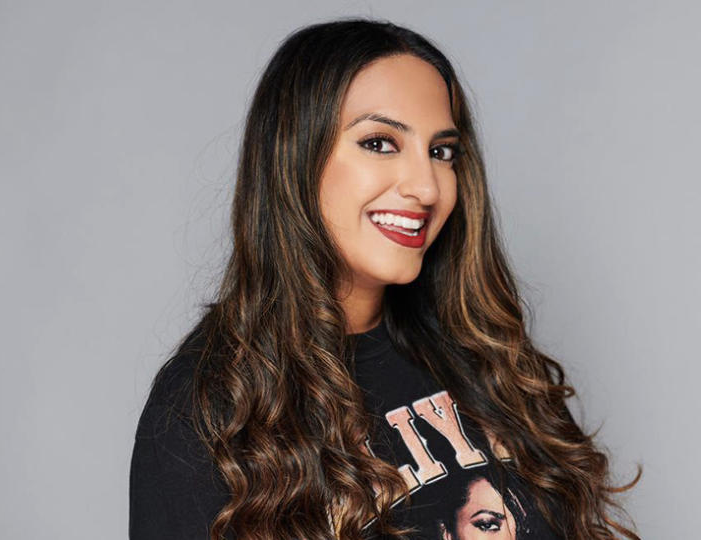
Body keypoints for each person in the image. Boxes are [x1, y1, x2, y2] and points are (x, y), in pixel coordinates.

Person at [129, 17, 642, 540]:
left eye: (441, 152)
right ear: (295, 157)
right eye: (379, 143)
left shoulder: (483, 354)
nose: (425, 187)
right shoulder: (210, 405)